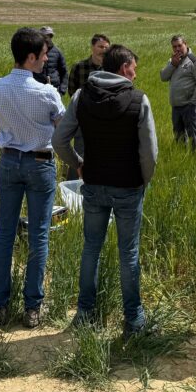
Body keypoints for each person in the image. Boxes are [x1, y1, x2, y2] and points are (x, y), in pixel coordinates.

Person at [53, 44, 158, 338]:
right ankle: (133, 320)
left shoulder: (81, 96)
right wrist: (143, 180)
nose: (135, 74)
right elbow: (150, 153)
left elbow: (59, 140)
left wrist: (79, 164)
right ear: (124, 68)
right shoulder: (139, 100)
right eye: (134, 69)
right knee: (128, 252)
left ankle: (85, 313)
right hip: (128, 186)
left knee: (91, 248)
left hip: (94, 183)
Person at [0, 27, 66, 328]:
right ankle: (32, 307)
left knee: (5, 233)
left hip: (9, 161)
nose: (47, 59)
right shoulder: (46, 92)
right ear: (31, 57)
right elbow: (61, 127)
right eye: (44, 55)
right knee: (39, 235)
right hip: (40, 162)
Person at [65, 33, 111, 179]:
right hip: (83, 119)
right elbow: (72, 91)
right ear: (92, 47)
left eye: (106, 47)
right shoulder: (79, 67)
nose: (103, 50)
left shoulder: (111, 69)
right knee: (79, 153)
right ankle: (72, 184)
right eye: (100, 47)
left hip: (105, 119)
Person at [160, 34, 196, 149]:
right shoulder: (172, 61)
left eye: (179, 46)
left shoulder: (194, 62)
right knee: (178, 137)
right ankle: (181, 157)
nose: (177, 49)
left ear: (185, 44)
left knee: (193, 138)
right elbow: (163, 77)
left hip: (190, 106)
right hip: (176, 107)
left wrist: (193, 103)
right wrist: (172, 65)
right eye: (174, 47)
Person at [32, 26, 68, 96]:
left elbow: (64, 72)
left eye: (50, 36)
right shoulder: (35, 51)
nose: (47, 38)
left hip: (55, 90)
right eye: (45, 36)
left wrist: (62, 91)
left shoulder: (57, 52)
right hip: (38, 90)